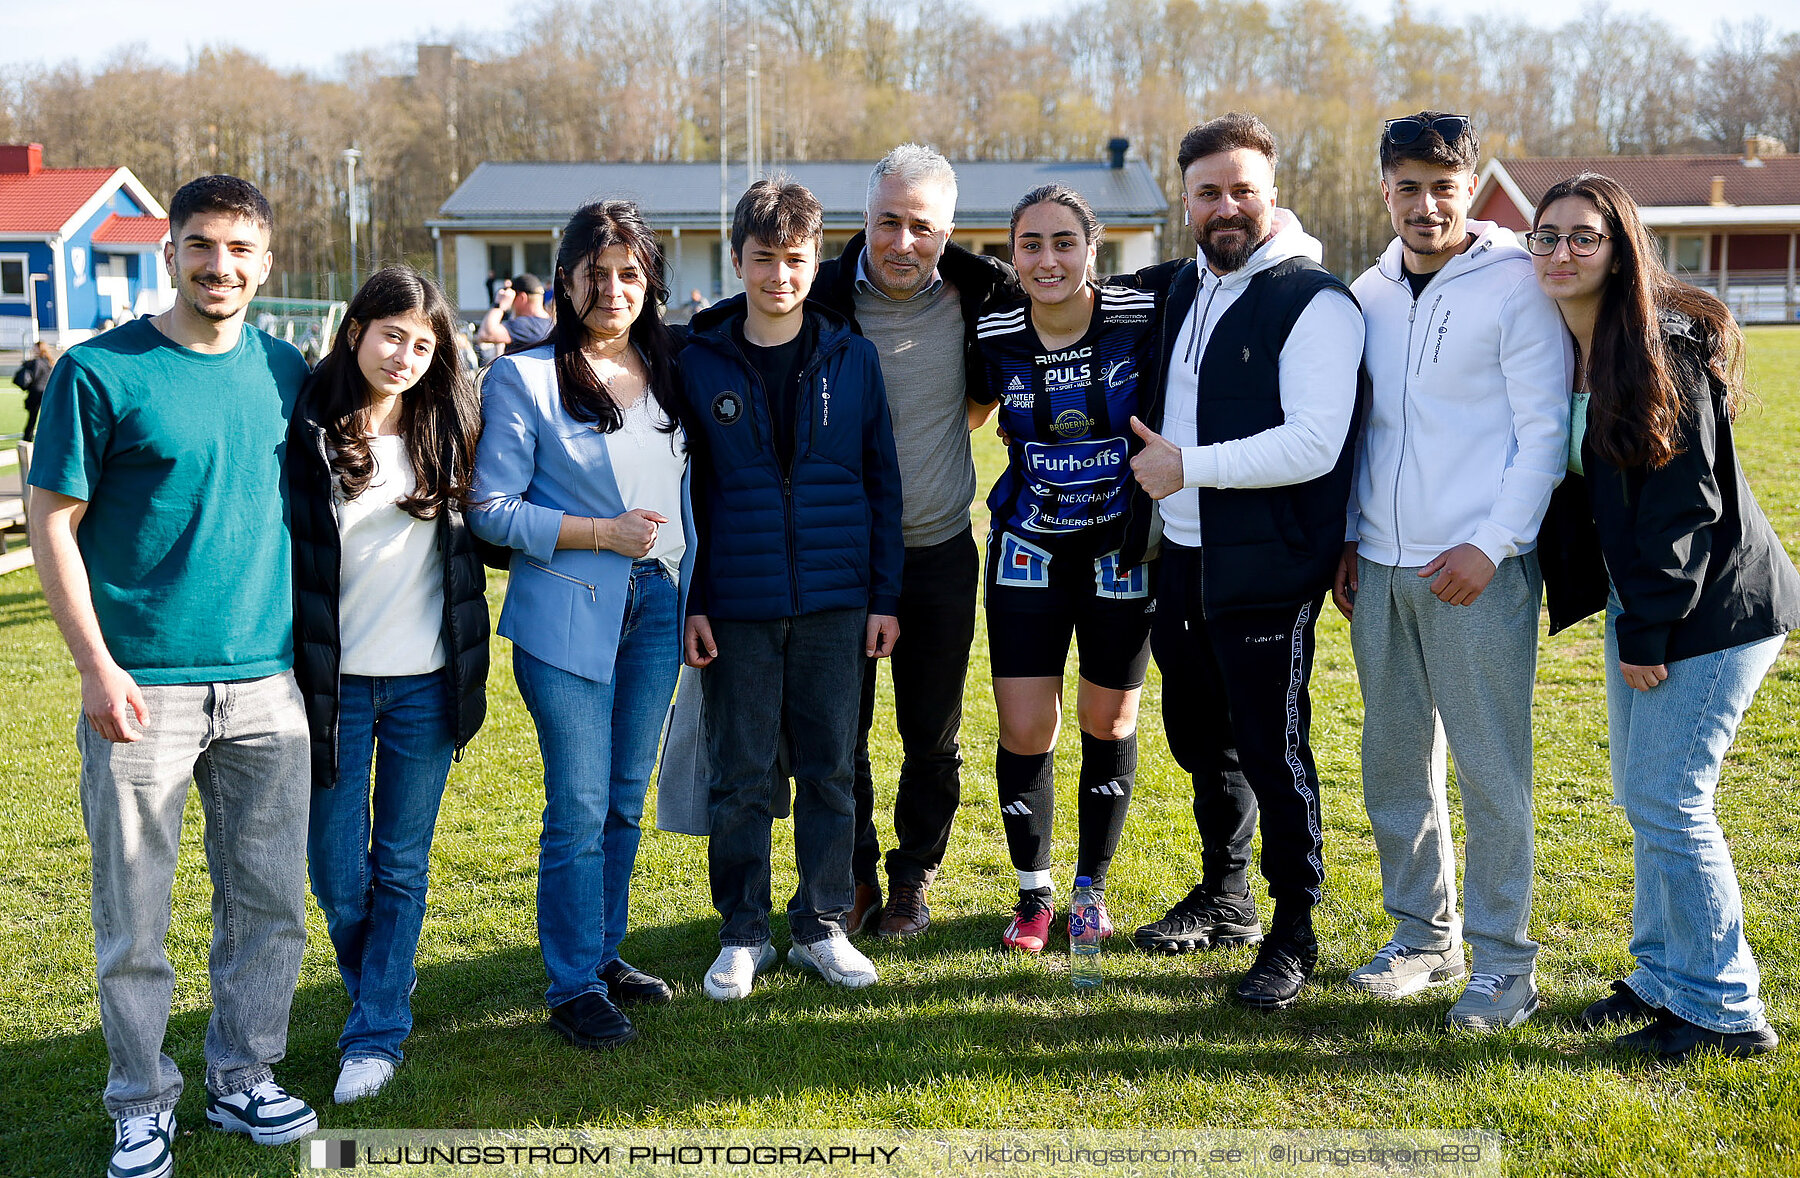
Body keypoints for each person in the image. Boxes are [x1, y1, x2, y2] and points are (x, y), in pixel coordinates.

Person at [27, 175, 319, 1178]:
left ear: (267, 261)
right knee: (134, 916)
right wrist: (95, 665)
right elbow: (50, 521)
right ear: (170, 253)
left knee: (271, 900)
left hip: (266, 686)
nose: (220, 266)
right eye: (201, 245)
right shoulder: (102, 372)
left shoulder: (285, 370)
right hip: (137, 688)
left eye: (240, 249)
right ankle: (140, 1104)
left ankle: (244, 1077)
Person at [1532, 172, 1798, 1060]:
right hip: (1649, 597)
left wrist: (1645, 629)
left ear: (1621, 248)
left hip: (1713, 607)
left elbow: (1685, 502)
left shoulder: (1660, 348)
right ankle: (1661, 977)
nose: (1561, 252)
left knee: (1670, 798)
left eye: (1583, 237)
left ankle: (1727, 1008)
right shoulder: (1573, 344)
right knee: (1646, 797)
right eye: (1547, 236)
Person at [1334, 111, 1571, 1031]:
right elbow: (1367, 433)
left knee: (1488, 769)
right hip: (1381, 569)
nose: (1426, 204)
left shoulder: (1516, 284)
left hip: (1476, 567)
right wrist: (1353, 538)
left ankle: (1507, 963)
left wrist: (1493, 543)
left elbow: (1543, 434)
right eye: (1408, 185)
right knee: (1393, 763)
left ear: (1469, 186)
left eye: (1444, 185)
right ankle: (1424, 940)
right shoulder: (1369, 291)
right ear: (1383, 188)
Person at [1122, 113, 1364, 1008]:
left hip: (1266, 563)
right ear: (1184, 197)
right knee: (1201, 738)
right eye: (1208, 191)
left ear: (1272, 191)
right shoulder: (1186, 285)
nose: (1226, 206)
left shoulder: (1315, 300)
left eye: (1243, 189)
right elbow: (1050, 273)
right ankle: (1226, 898)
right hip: (1180, 557)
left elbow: (1312, 442)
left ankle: (1295, 930)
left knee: (1272, 746)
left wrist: (1191, 467)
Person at [470, 201, 693, 1048]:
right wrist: (599, 533)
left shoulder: (672, 370)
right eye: (594, 274)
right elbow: (490, 510)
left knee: (626, 801)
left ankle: (602, 955)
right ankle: (570, 987)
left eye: (629, 273)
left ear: (651, 283)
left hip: (660, 608)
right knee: (579, 803)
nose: (612, 288)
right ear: (565, 282)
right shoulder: (522, 377)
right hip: (567, 613)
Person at [679, 177, 903, 999]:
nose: (780, 274)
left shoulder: (853, 356)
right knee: (739, 773)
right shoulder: (697, 362)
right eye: (764, 257)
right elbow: (687, 496)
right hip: (735, 605)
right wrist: (696, 600)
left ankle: (821, 924)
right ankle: (743, 930)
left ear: (816, 263)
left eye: (796, 259)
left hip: (837, 604)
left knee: (832, 768)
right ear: (737, 258)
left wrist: (885, 596)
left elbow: (883, 483)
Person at [289, 265, 490, 1103]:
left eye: (423, 341)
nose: (405, 354)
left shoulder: (451, 425)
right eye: (391, 335)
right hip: (332, 687)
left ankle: (375, 1032)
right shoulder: (308, 427)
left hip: (426, 687)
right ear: (354, 331)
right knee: (337, 874)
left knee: (401, 864)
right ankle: (381, 975)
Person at [809, 143, 1016, 939]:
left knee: (930, 735)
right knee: (839, 733)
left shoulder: (984, 295)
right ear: (863, 220)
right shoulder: (819, 296)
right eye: (887, 222)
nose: (902, 242)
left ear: (948, 230)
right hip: (841, 558)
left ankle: (913, 879)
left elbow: (985, 395)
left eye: (920, 227)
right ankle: (853, 874)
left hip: (938, 555)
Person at [973, 184, 1159, 956]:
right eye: (1030, 245)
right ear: (1011, 255)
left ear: (1094, 248)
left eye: (1063, 243)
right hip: (1029, 548)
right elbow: (951, 414)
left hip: (1120, 549)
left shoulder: (1143, 314)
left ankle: (1091, 890)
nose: (1047, 260)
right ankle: (1034, 894)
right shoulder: (990, 329)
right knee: (1026, 725)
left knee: (1107, 720)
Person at [477, 272, 553, 351]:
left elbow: (485, 334)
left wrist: (499, 305)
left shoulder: (526, 325)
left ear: (522, 298)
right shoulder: (551, 324)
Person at [12, 339, 55, 441]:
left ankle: (27, 438)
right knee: (47, 417)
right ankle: (48, 438)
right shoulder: (50, 361)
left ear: (40, 349)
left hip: (36, 391)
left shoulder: (36, 362)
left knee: (32, 417)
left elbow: (32, 377)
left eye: (35, 347)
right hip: (47, 392)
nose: (33, 349)